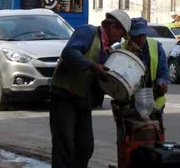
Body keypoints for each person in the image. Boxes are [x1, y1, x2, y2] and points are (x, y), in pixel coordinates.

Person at [49, 9, 131, 168]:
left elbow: (102, 75)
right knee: (64, 144)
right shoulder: (87, 32)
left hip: (82, 98)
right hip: (64, 95)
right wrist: (92, 66)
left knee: (85, 146)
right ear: (113, 27)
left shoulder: (108, 50)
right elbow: (69, 53)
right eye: (120, 33)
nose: (120, 38)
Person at [121, 17, 169, 111]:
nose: (141, 39)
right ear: (129, 35)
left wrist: (162, 83)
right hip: (129, 100)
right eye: (137, 36)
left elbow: (163, 72)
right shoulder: (121, 49)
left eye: (143, 35)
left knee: (152, 124)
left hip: (152, 97)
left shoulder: (156, 46)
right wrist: (129, 53)